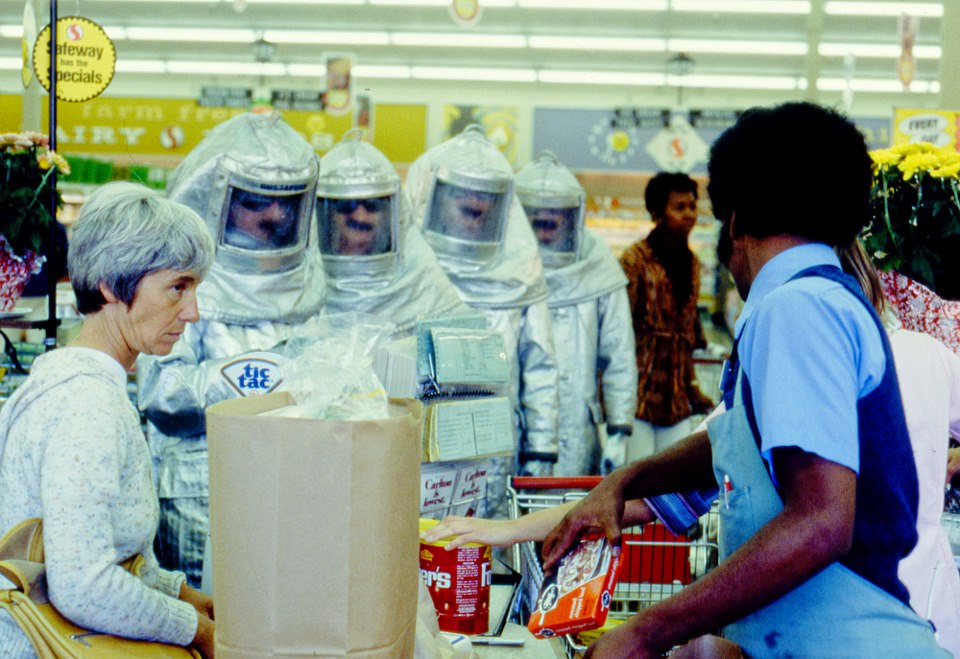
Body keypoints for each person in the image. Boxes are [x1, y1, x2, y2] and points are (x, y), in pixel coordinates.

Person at [541, 102, 947, 658]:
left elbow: (822, 521)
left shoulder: (796, 308)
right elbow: (745, 439)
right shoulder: (828, 299)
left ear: (734, 222)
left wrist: (649, 630)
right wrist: (626, 480)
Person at [0, 182, 216, 657]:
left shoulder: (78, 383)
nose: (193, 312)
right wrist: (195, 631)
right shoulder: (87, 405)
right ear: (111, 285)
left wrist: (178, 592)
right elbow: (83, 585)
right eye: (178, 287)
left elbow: (100, 548)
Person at [136, 111, 325, 586]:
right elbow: (163, 394)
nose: (275, 215)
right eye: (256, 201)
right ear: (217, 199)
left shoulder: (310, 278)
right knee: (206, 620)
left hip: (297, 486)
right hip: (200, 493)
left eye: (287, 201)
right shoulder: (178, 279)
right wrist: (275, 373)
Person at [405, 124, 559, 518]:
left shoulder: (521, 273)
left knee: (485, 547)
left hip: (493, 457)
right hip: (413, 454)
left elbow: (541, 367)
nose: (477, 211)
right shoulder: (408, 271)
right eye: (465, 203)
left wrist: (541, 452)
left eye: (487, 203)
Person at [840, 240, 960, 656]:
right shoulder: (928, 353)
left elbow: (709, 454)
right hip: (927, 603)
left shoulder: (799, 358)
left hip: (843, 613)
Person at [514, 151, 636, 476]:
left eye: (551, 221)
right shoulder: (502, 266)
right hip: (513, 426)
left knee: (569, 503)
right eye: (535, 221)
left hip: (576, 425)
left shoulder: (597, 264)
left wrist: (619, 430)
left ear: (571, 217)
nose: (543, 231)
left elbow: (619, 354)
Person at [317, 129, 472, 332]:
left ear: (394, 215)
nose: (360, 217)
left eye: (373, 205)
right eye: (345, 206)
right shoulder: (303, 288)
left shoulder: (422, 278)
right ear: (323, 216)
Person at [620, 172, 715, 461]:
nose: (689, 215)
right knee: (636, 477)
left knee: (672, 480)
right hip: (636, 395)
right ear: (657, 213)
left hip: (676, 399)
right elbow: (618, 329)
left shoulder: (693, 263)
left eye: (692, 206)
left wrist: (692, 388)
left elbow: (688, 335)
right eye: (679, 207)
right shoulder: (635, 260)